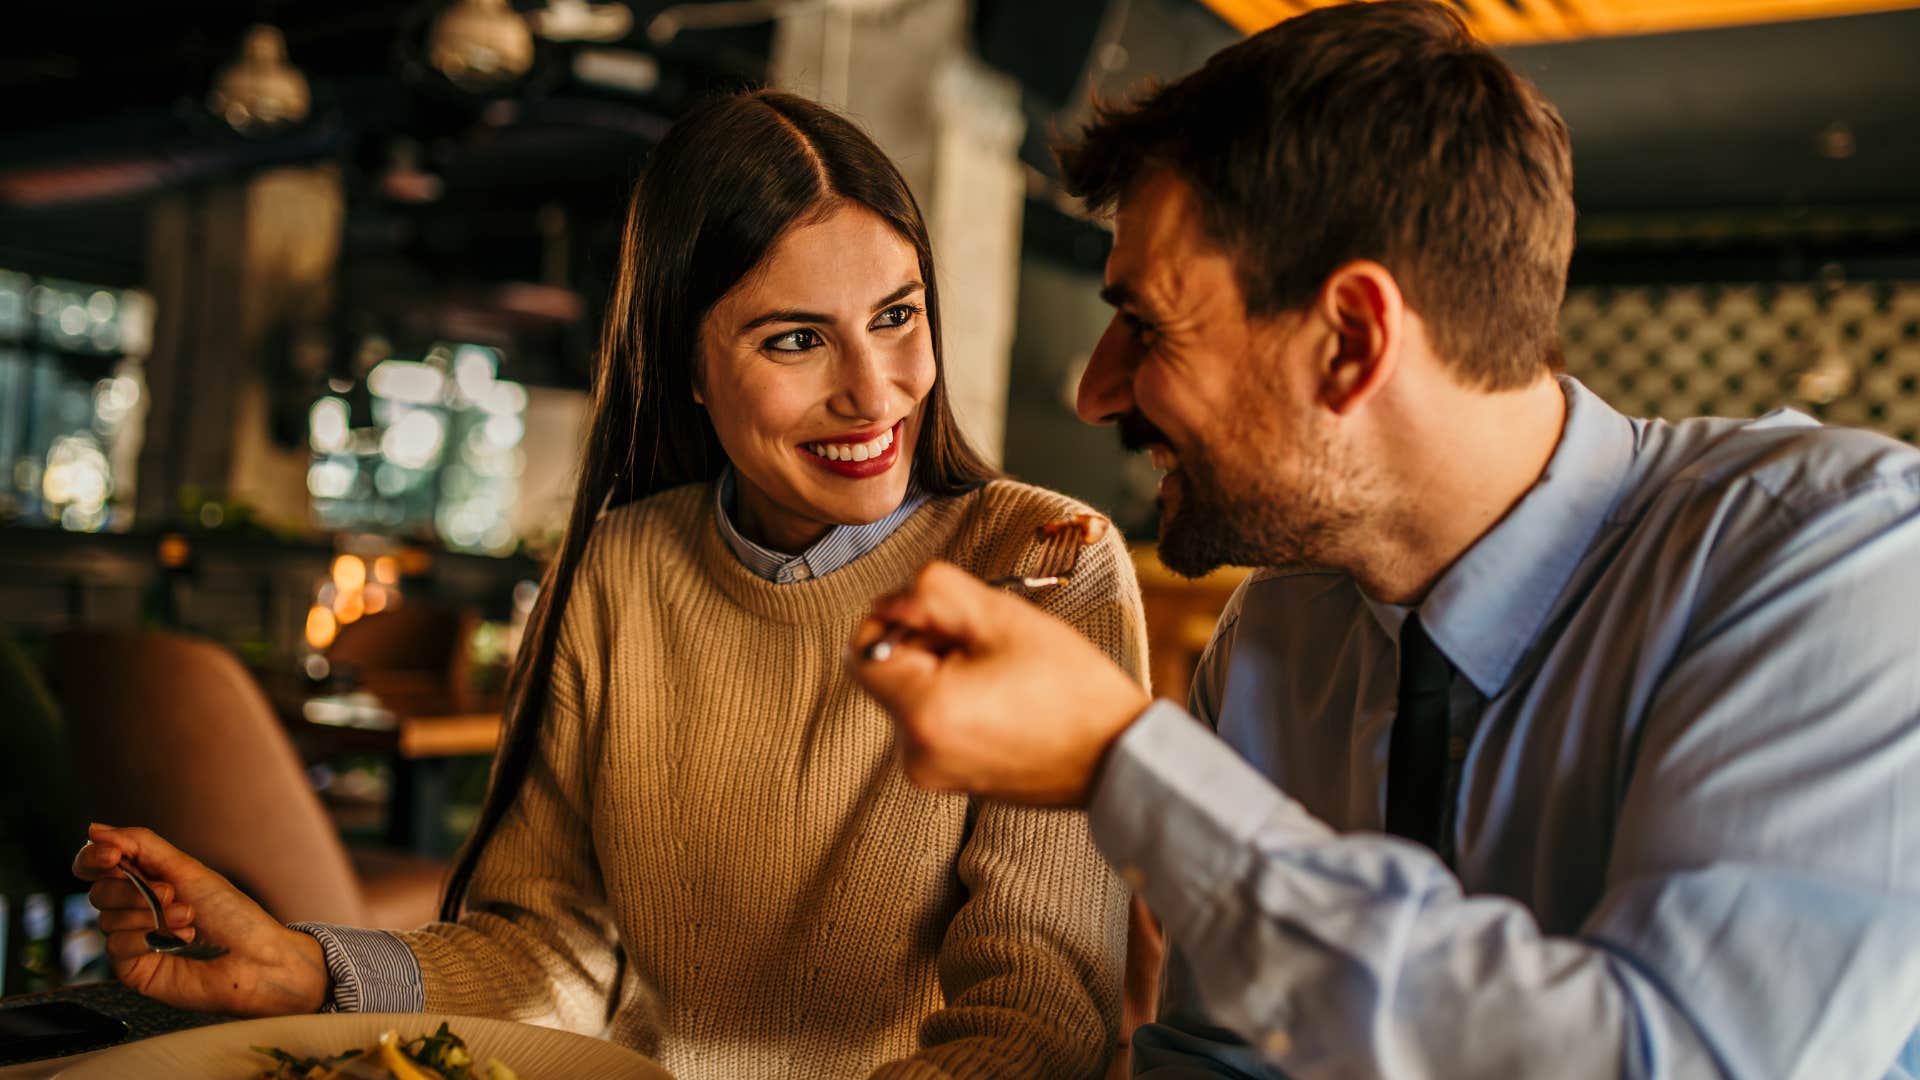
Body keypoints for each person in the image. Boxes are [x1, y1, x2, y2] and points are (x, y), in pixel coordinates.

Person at [850, 3, 1920, 1076]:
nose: (1095, 392)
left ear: (1352, 340)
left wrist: (1125, 768)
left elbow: (1672, 1058)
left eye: (1149, 326)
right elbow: (1222, 1064)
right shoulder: (1277, 633)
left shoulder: (1838, 558)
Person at [75, 90, 1147, 1079]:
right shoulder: (618, 565)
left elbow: (1039, 1015)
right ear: (686, 366)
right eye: (795, 340)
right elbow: (552, 952)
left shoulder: (1046, 560)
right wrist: (305, 967)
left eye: (896, 317)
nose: (874, 393)